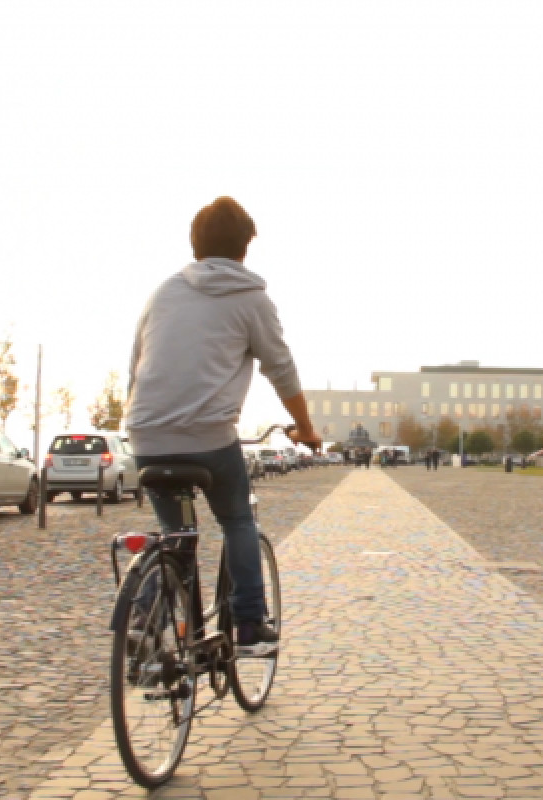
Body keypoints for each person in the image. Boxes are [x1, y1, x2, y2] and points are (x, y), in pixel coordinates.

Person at [126, 196, 322, 656]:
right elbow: (282, 369)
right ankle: (250, 625)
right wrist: (306, 429)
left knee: (176, 538)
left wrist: (138, 422)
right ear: (244, 249)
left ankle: (144, 622)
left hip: (147, 434)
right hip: (209, 438)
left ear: (195, 245)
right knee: (237, 518)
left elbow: (136, 361)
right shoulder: (252, 298)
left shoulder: (164, 291)